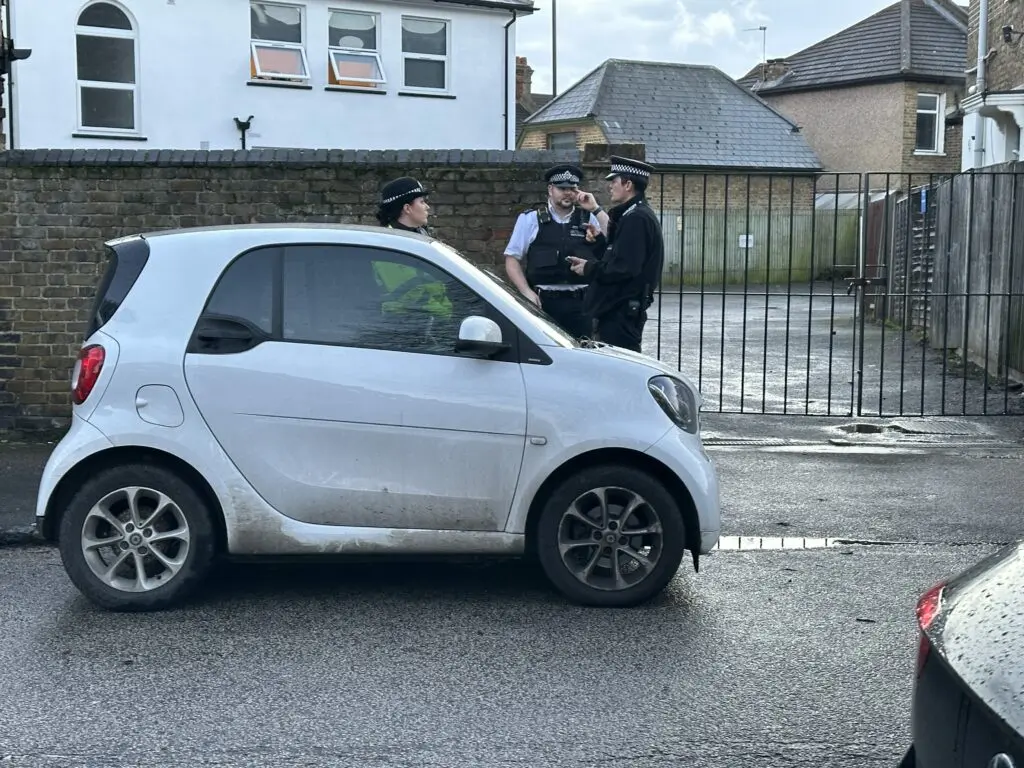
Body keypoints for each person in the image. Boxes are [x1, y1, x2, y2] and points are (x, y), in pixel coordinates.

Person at [567, 155, 664, 353]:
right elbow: (621, 256)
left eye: (614, 180)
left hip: (621, 313)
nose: (610, 186)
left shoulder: (636, 218)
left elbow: (624, 268)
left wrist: (588, 267)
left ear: (628, 184)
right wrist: (600, 242)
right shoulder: (632, 214)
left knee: (619, 372)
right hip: (617, 310)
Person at [502, 165, 605, 339]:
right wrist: (526, 291)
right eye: (562, 188)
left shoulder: (588, 218)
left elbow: (615, 240)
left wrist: (595, 209)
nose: (568, 193)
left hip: (581, 304)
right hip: (544, 303)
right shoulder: (531, 219)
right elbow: (512, 259)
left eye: (572, 188)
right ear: (550, 189)